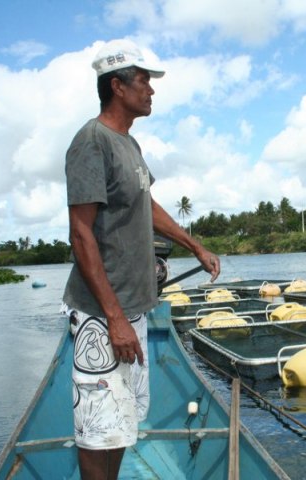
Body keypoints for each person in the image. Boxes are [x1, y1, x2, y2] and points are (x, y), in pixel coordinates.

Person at [61, 39, 220, 480]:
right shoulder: (91, 142)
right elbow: (81, 234)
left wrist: (195, 246)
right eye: (144, 81)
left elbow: (147, 206)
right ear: (117, 86)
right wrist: (112, 317)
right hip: (100, 313)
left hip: (132, 309)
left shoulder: (129, 145)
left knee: (121, 423)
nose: (151, 90)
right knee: (97, 429)